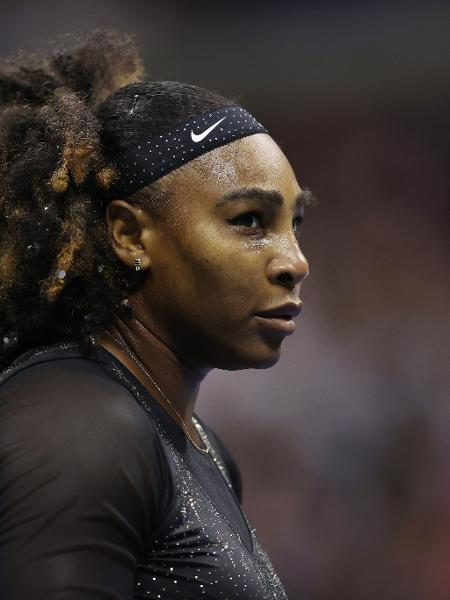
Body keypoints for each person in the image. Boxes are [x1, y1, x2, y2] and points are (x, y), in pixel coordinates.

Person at [0, 29, 316, 599]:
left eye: (295, 223)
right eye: (249, 221)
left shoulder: (200, 445)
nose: (294, 262)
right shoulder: (80, 427)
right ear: (129, 235)